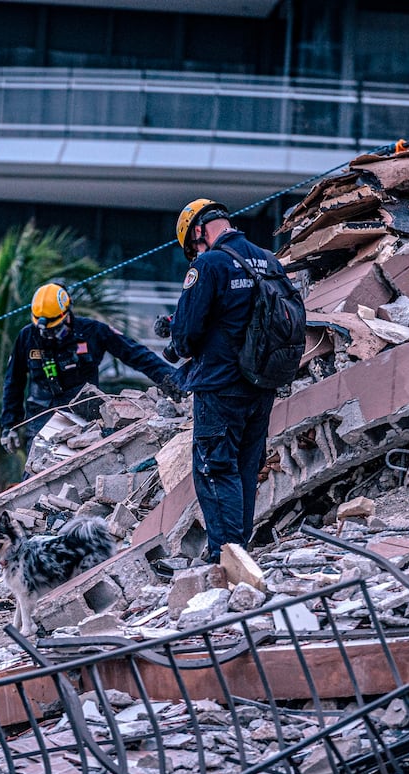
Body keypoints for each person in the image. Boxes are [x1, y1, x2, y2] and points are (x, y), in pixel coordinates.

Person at [163, 199, 280, 564]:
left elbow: (186, 336)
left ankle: (225, 556)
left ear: (198, 230)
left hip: (220, 384)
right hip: (260, 383)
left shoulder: (209, 263)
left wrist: (174, 334)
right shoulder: (267, 259)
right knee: (245, 467)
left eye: (193, 245)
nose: (195, 252)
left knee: (215, 467)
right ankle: (241, 552)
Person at [0, 282, 184, 456]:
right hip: (41, 416)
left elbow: (135, 354)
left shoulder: (92, 331)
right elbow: (13, 382)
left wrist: (171, 378)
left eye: (54, 329)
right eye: (44, 330)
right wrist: (10, 425)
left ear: (67, 315)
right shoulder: (27, 337)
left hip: (84, 416)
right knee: (35, 472)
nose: (48, 335)